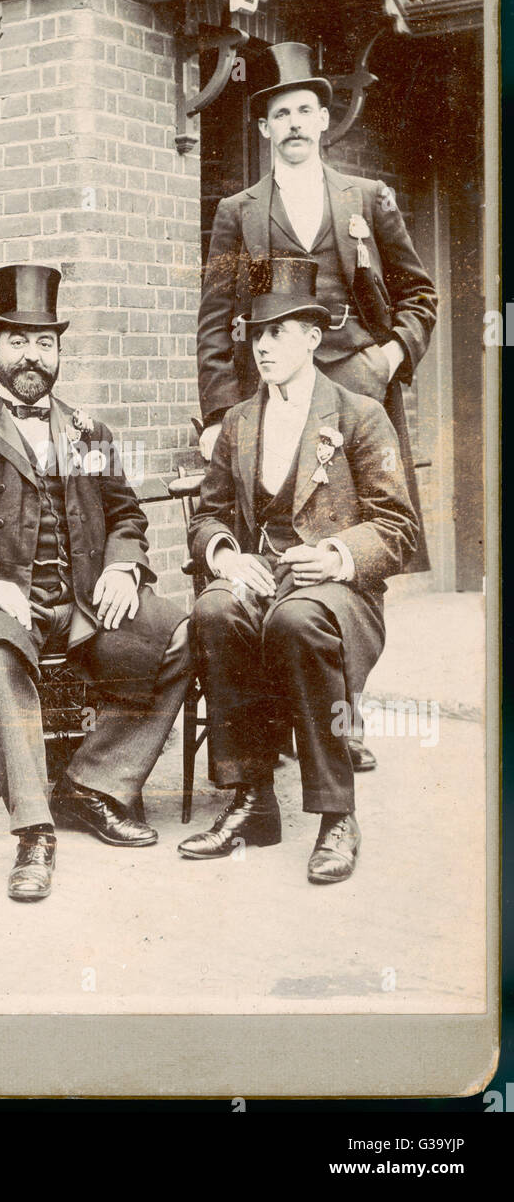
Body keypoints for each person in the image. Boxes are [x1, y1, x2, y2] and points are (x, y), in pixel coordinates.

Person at [0, 265, 192, 902]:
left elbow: (126, 513)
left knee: (179, 635)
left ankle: (94, 785)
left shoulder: (89, 431)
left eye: (44, 343)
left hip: (84, 603)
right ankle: (35, 832)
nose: (30, 356)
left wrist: (122, 564)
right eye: (17, 342)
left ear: (58, 351)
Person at [196, 41, 437, 772]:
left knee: (354, 554)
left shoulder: (366, 198)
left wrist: (389, 355)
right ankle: (285, 714)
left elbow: (418, 295)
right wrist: (215, 416)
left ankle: (340, 718)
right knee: (282, 546)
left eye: (305, 110)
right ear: (264, 127)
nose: (294, 123)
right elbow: (213, 317)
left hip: (357, 399)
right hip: (270, 400)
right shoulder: (238, 212)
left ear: (323, 120)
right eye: (280, 113)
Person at [180, 255, 418, 883]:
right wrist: (228, 556)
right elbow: (206, 517)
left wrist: (338, 554)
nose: (262, 345)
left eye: (278, 331)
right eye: (256, 332)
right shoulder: (237, 422)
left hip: (337, 590)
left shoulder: (360, 415)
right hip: (262, 572)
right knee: (214, 608)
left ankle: (338, 815)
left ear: (313, 337)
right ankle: (252, 800)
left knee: (296, 621)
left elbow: (399, 530)